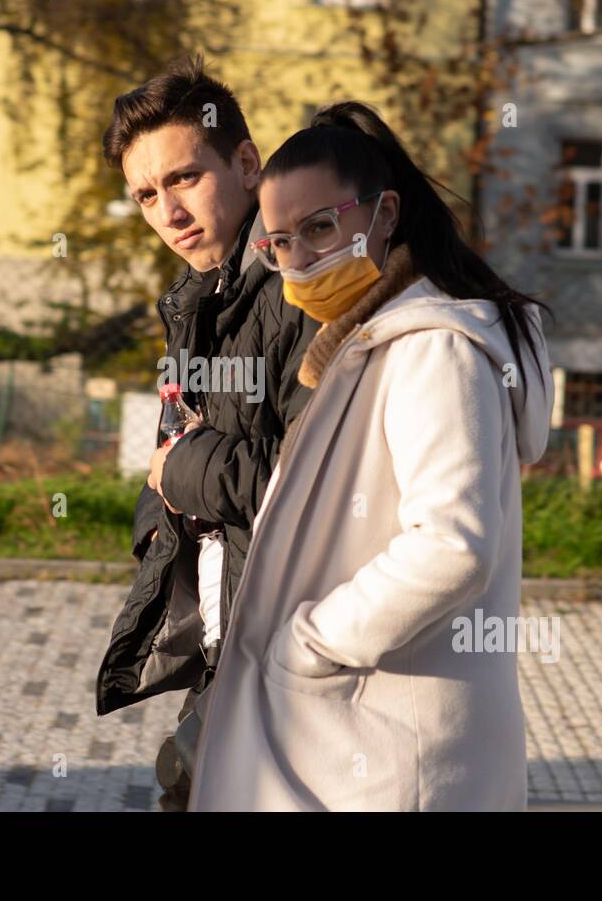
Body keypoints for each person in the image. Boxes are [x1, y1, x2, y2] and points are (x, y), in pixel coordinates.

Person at [186, 101, 554, 811]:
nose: (301, 260)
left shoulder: (433, 347)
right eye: (280, 243)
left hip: (385, 751)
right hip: (356, 739)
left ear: (385, 215)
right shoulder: (369, 345)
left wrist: (310, 644)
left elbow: (452, 546)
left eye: (321, 227)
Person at [93, 55, 320, 810]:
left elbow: (316, 485)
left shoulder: (303, 291)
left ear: (247, 164)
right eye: (146, 195)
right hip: (229, 643)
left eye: (184, 178)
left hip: (298, 647)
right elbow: (168, 456)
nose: (167, 211)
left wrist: (178, 472)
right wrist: (158, 534)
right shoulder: (197, 300)